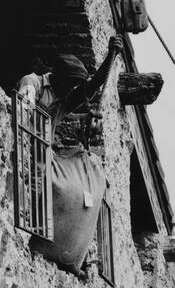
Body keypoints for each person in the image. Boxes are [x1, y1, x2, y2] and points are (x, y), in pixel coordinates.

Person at [15, 36, 124, 272]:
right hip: (26, 154)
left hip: (43, 159)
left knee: (79, 188)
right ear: (59, 78)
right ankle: (34, 236)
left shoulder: (61, 97)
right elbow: (22, 116)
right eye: (70, 84)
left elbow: (92, 87)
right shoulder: (31, 83)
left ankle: (66, 249)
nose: (72, 90)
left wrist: (110, 58)